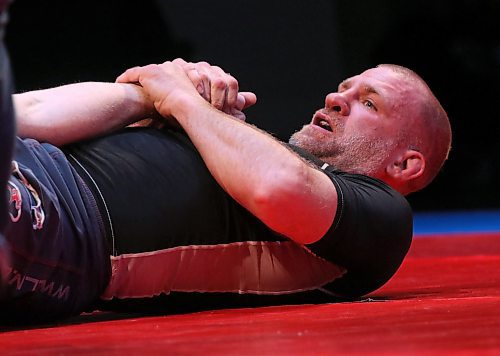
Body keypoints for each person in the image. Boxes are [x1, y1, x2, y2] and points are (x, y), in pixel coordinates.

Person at [0, 57, 451, 323]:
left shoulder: (383, 217)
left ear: (404, 163)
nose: (336, 99)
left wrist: (181, 99)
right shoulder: (230, 140)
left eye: (368, 103)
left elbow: (279, 188)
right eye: (343, 89)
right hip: (27, 157)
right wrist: (153, 89)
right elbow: (28, 112)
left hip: (64, 225)